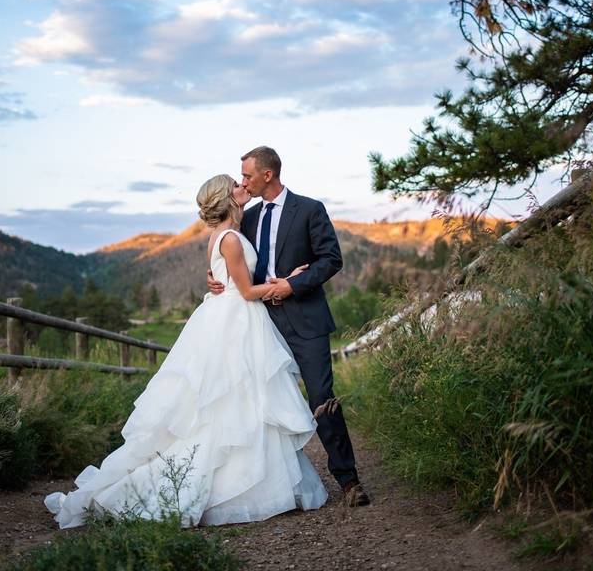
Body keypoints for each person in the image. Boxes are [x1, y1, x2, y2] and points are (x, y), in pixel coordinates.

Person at [44, 174, 328, 528]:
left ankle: (256, 481)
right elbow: (244, 290)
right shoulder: (232, 240)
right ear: (228, 199)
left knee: (239, 399)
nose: (244, 188)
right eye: (236, 186)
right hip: (236, 319)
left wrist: (277, 278)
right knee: (232, 397)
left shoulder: (222, 236)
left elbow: (229, 281)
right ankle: (231, 484)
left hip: (228, 316)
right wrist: (290, 283)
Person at [207, 146, 370, 508]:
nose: (243, 182)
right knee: (257, 402)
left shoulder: (310, 209)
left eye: (247, 175)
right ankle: (265, 485)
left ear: (268, 175)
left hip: (306, 320)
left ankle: (349, 481)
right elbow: (229, 256)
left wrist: (292, 285)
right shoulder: (244, 219)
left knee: (321, 398)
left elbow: (331, 259)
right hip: (260, 323)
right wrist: (215, 277)